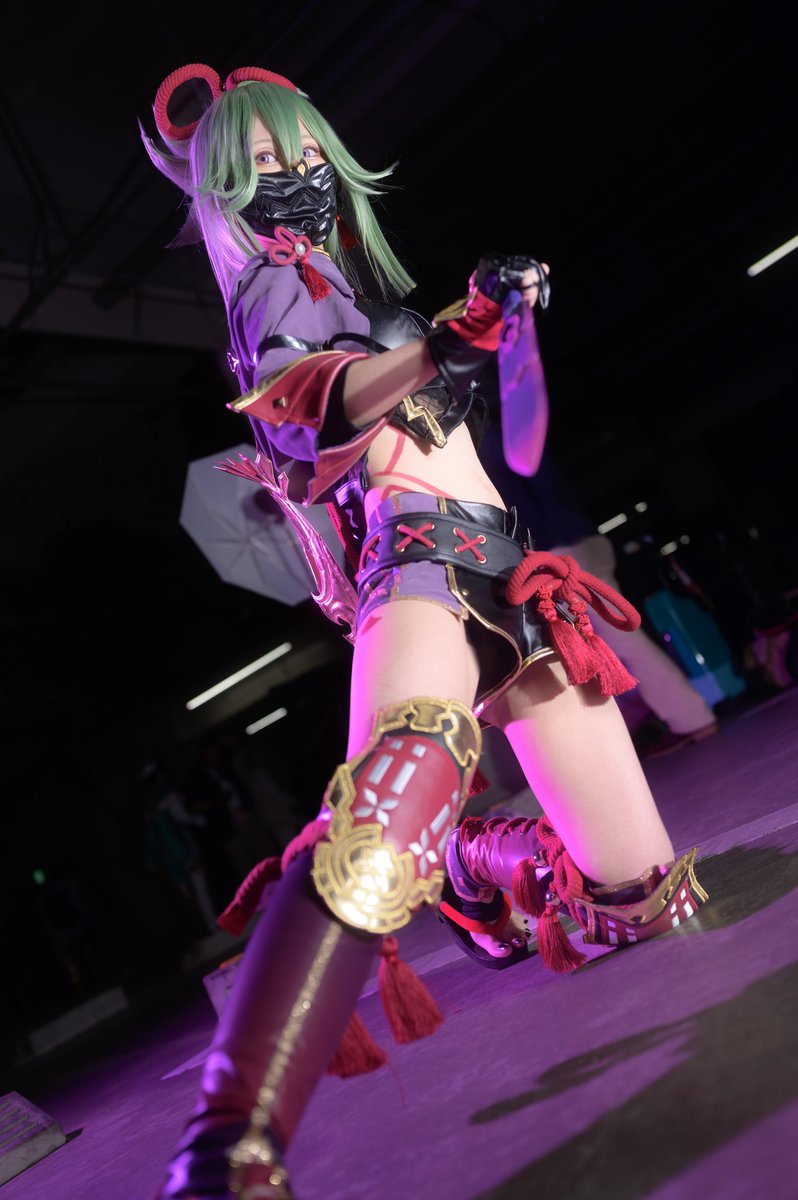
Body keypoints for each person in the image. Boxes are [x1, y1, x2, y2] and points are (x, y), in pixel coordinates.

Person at [142, 63, 709, 1200]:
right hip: (423, 567)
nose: (297, 178)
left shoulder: (354, 282)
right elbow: (316, 405)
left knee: (645, 901)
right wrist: (451, 340)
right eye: (266, 164)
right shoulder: (277, 287)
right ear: (228, 192)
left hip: (516, 572)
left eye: (308, 155)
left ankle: (476, 855)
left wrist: (481, 328)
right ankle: (228, 1145)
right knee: (378, 823)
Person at [477, 426, 720, 758]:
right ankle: (677, 717)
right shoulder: (515, 429)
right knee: (609, 644)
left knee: (611, 645)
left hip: (558, 547)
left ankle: (689, 718)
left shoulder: (491, 437)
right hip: (575, 539)